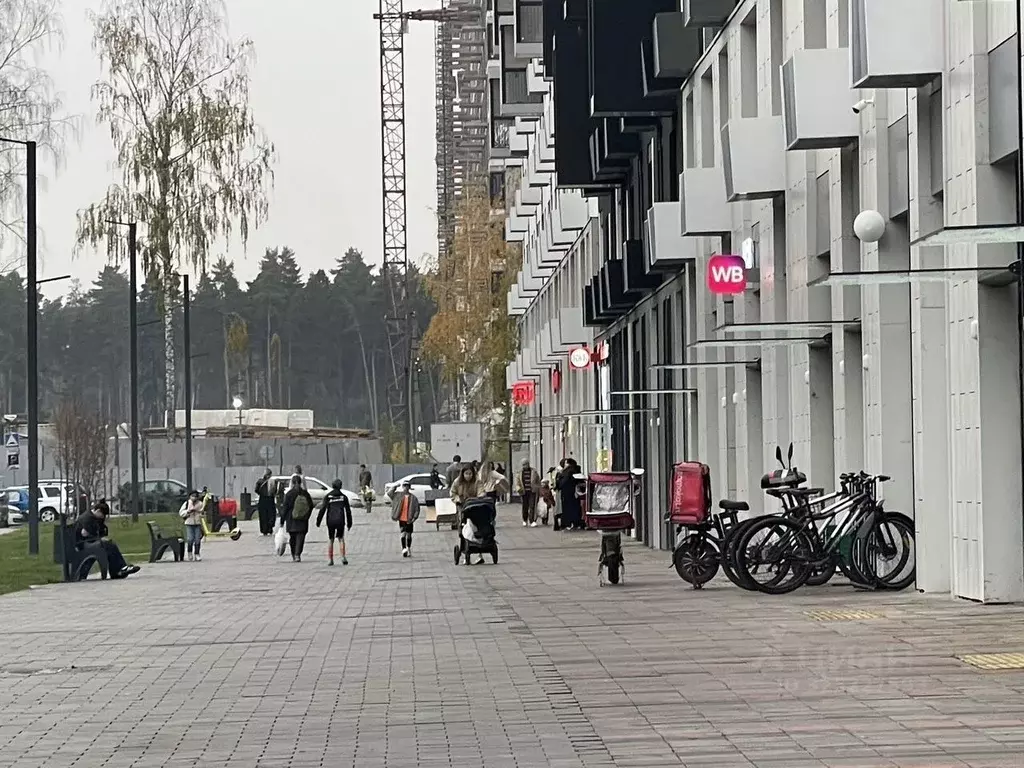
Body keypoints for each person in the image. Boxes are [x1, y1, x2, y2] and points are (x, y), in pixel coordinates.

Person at [75, 499, 140, 578]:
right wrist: (96, 536)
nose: (103, 517)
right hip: (83, 545)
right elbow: (84, 533)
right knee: (108, 544)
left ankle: (119, 569)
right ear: (98, 511)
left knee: (110, 544)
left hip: (85, 543)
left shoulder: (91, 516)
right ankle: (117, 570)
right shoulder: (88, 517)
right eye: (103, 515)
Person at [316, 479, 353, 566]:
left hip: (330, 521)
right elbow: (348, 511)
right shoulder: (343, 497)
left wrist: (318, 521)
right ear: (341, 486)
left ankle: (330, 559)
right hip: (340, 520)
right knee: (341, 538)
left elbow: (322, 509)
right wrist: (349, 523)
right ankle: (343, 556)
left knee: (331, 539)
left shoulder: (328, 497)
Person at [281, 474, 314, 562]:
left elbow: (285, 508)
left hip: (291, 519)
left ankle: (293, 554)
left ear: (292, 483)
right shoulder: (305, 493)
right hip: (303, 520)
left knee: (293, 538)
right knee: (301, 537)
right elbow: (311, 506)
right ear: (300, 482)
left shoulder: (289, 494)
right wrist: (307, 516)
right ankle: (297, 554)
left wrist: (282, 520)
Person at [391, 480, 420, 557]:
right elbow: (389, 494)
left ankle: (408, 547)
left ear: (409, 487)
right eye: (404, 486)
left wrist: (414, 518)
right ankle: (404, 549)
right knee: (403, 534)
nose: (406, 488)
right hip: (401, 519)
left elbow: (417, 509)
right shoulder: (398, 495)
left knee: (409, 535)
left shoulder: (413, 498)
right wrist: (394, 487)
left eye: (407, 486)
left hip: (409, 519)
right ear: (403, 487)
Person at [556, 458, 584, 530]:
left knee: (567, 509)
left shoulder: (567, 472)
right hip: (576, 493)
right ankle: (576, 523)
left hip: (567, 493)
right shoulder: (576, 470)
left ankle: (567, 523)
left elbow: (561, 483)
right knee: (575, 508)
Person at [179, 490, 205, 561]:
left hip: (197, 523)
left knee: (197, 539)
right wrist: (188, 511)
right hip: (189, 523)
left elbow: (203, 512)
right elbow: (181, 512)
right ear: (190, 496)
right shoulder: (187, 503)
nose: (194, 498)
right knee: (190, 539)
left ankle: (197, 553)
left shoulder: (200, 504)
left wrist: (199, 513)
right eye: (192, 496)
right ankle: (189, 553)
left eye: (195, 496)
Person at [516, 458, 542, 527]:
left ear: (528, 464)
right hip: (523, 492)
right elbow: (517, 482)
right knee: (525, 506)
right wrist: (518, 488)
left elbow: (538, 481)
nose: (524, 466)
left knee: (532, 506)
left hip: (532, 491)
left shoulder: (534, 471)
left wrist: (538, 487)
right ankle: (525, 520)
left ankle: (532, 521)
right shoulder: (520, 472)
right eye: (523, 464)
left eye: (526, 464)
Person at [254, 469, 276, 536]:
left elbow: (256, 490)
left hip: (263, 499)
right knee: (270, 514)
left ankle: (264, 529)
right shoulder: (272, 481)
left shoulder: (260, 481)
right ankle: (269, 528)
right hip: (269, 499)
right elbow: (275, 490)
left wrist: (261, 493)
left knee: (264, 515)